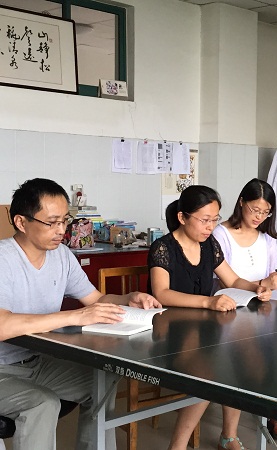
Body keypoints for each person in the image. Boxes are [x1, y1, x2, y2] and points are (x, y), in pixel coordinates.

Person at [0, 178, 161, 450]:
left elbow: (95, 299)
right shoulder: (4, 260)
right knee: (43, 404)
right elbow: (2, 325)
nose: (61, 230)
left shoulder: (62, 256)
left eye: (65, 221)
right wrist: (74, 316)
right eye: (52, 222)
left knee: (100, 384)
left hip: (37, 362)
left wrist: (126, 299)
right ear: (21, 222)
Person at [148, 185, 272, 450]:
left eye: (215, 220)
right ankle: (177, 446)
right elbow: (162, 293)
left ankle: (229, 435)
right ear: (182, 217)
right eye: (204, 220)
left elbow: (233, 280)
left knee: (240, 356)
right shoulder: (163, 247)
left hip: (204, 328)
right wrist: (208, 301)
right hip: (168, 332)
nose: (210, 227)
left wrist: (257, 287)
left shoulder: (209, 245)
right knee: (209, 372)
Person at [212, 178, 277, 441]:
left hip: (264, 308)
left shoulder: (267, 239)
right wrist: (264, 284)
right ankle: (230, 434)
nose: (259, 216)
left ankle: (275, 412)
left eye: (265, 212)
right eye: (255, 209)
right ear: (241, 203)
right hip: (230, 310)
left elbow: (273, 274)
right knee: (241, 357)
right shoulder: (220, 235)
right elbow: (224, 281)